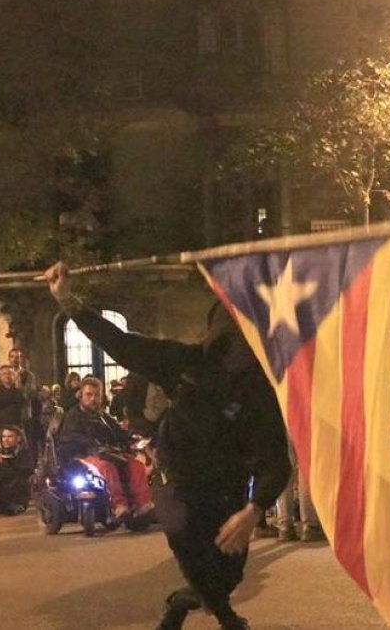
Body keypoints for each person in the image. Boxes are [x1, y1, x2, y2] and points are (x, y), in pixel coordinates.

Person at [45, 261, 289, 630]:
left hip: (227, 489)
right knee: (185, 539)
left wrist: (254, 510)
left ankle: (183, 602)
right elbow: (121, 344)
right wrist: (69, 302)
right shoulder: (187, 362)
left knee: (226, 575)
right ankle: (225, 619)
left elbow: (276, 460)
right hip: (177, 478)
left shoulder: (261, 393)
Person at [56, 377, 153, 520]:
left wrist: (132, 439)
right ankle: (119, 505)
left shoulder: (103, 416)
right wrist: (91, 442)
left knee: (136, 465)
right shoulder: (73, 416)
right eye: (89, 395)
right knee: (107, 467)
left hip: (108, 452)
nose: (93, 399)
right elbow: (68, 437)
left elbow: (119, 433)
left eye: (97, 395)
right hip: (84, 455)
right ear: (81, 396)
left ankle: (143, 504)